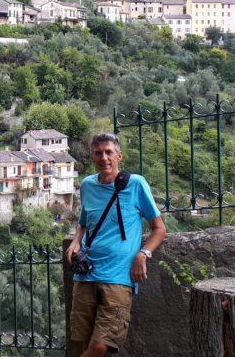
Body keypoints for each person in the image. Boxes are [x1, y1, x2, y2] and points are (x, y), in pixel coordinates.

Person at [66, 132, 166, 357]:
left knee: (101, 345)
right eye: (98, 153)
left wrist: (143, 254)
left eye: (109, 152)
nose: (104, 158)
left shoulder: (136, 184)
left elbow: (159, 228)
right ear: (92, 158)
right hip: (85, 274)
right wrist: (75, 241)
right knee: (84, 341)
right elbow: (84, 223)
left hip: (118, 277)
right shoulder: (88, 186)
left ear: (119, 156)